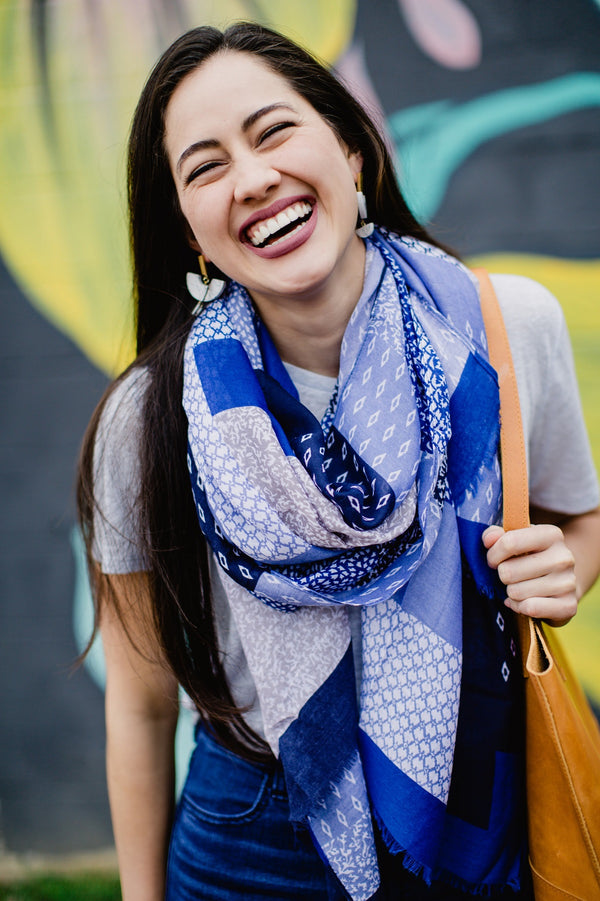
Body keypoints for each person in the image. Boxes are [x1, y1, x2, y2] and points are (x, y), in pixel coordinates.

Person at [77, 22, 600, 901]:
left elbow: (582, 522)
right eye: (205, 167)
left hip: (474, 799)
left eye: (274, 131)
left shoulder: (504, 329)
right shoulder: (149, 418)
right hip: (251, 831)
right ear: (191, 230)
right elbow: (138, 702)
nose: (252, 179)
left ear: (352, 150)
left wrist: (570, 567)